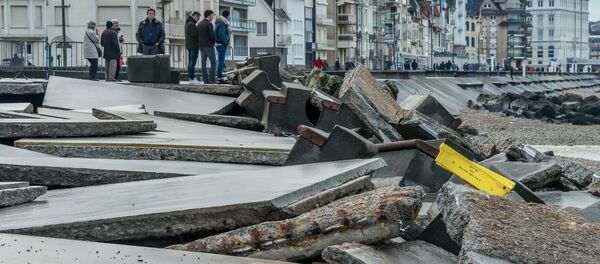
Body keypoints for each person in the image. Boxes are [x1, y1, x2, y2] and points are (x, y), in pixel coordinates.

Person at [198, 10, 217, 84]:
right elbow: (212, 35)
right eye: (212, 15)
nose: (213, 17)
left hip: (201, 46)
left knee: (203, 63)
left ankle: (205, 80)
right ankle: (212, 79)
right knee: (213, 63)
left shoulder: (199, 24)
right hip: (209, 46)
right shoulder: (209, 24)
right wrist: (215, 41)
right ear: (208, 16)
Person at [215, 10, 231, 83]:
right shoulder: (222, 24)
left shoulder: (219, 22)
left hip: (219, 44)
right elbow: (221, 35)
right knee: (221, 61)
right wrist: (225, 42)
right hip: (222, 45)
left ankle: (219, 76)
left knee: (221, 61)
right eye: (229, 16)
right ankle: (219, 77)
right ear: (227, 16)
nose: (229, 17)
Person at [185, 11, 201, 84]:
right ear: (194, 16)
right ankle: (192, 78)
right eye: (198, 17)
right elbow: (194, 35)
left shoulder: (187, 23)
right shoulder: (192, 24)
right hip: (194, 46)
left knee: (190, 62)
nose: (198, 19)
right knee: (192, 63)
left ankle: (191, 78)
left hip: (189, 45)